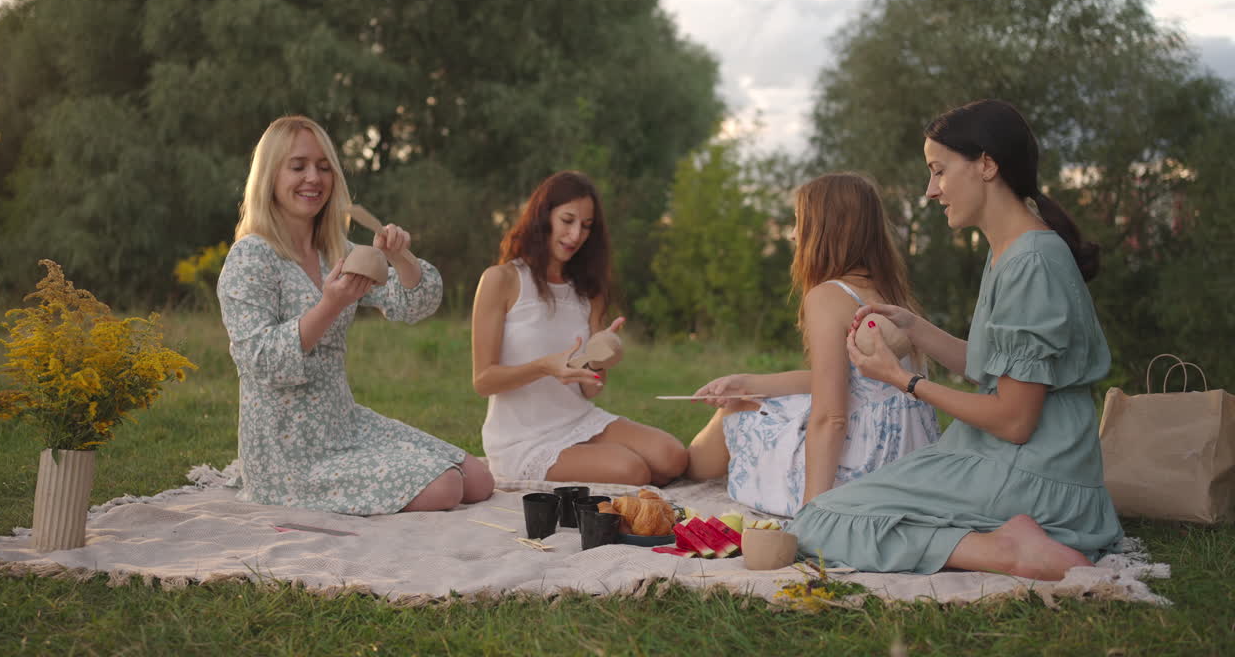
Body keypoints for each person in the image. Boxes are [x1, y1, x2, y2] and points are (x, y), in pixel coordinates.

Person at [786, 99, 1123, 580]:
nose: (931, 190)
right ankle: (997, 539)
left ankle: (1005, 551)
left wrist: (902, 380)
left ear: (986, 165)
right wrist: (914, 327)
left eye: (939, 171)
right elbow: (997, 367)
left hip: (1036, 473)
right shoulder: (1011, 250)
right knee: (836, 512)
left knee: (817, 522)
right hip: (1010, 458)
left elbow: (1014, 420)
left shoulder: (1032, 263)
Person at [216, 115, 493, 515]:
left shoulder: (336, 252)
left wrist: (402, 257)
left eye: (324, 167)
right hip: (287, 453)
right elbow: (260, 361)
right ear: (269, 177)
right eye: (298, 166)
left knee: (479, 480)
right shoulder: (251, 257)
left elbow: (414, 304)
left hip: (343, 423)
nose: (314, 177)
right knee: (447, 486)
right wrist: (329, 306)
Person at [687, 173, 941, 517]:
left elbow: (832, 418)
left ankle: (682, 474)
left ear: (826, 229)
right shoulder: (890, 294)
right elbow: (847, 382)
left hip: (863, 468)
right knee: (752, 400)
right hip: (911, 465)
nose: (793, 234)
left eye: (799, 222)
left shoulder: (827, 297)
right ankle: (680, 464)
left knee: (733, 413)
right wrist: (751, 383)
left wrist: (814, 513)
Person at [472, 171, 688, 485]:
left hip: (578, 419)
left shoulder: (588, 290)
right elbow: (483, 381)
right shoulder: (501, 279)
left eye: (586, 226)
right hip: (523, 439)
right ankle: (601, 465)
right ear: (543, 216)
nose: (576, 235)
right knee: (632, 470)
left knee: (674, 456)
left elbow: (590, 389)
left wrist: (601, 356)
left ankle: (597, 462)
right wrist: (546, 367)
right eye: (567, 220)